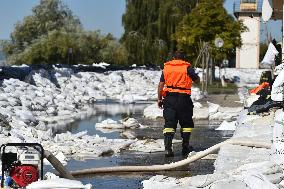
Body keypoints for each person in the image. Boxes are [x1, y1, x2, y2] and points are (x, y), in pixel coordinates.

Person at [157, 50, 200, 157]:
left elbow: (161, 84)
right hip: (183, 99)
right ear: (183, 58)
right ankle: (185, 147)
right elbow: (197, 81)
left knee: (169, 124)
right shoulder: (187, 67)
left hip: (169, 98)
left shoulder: (167, 67)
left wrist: (159, 99)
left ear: (173, 58)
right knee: (186, 124)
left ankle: (168, 149)